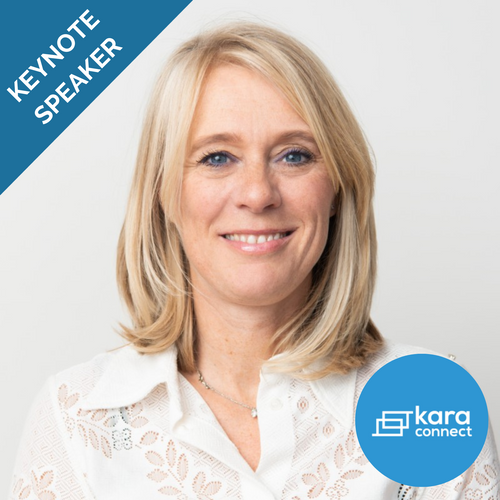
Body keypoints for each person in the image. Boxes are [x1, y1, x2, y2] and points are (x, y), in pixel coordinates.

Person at [10, 22, 498, 500]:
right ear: (164, 193)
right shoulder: (78, 419)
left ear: (337, 188)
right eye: (217, 157)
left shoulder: (431, 403)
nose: (258, 193)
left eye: (294, 155)